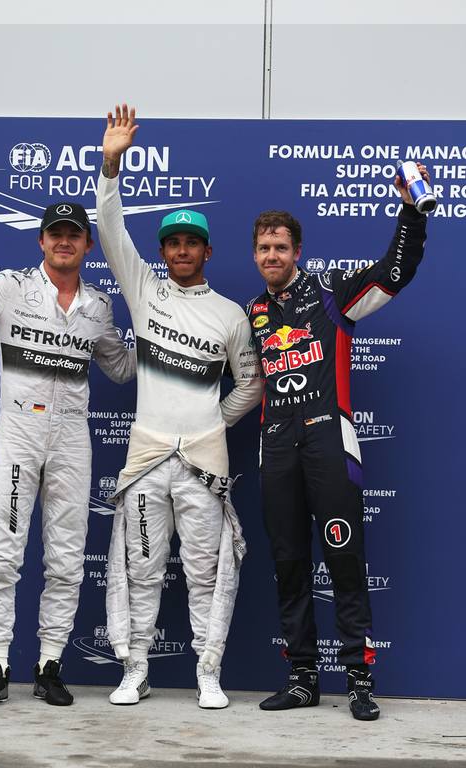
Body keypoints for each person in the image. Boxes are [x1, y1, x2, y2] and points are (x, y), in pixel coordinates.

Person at [0, 189, 136, 709]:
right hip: (18, 431)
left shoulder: (99, 307)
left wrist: (160, 336)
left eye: (74, 235)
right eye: (56, 234)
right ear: (41, 241)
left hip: (72, 437)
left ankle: (49, 666)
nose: (64, 242)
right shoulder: (10, 288)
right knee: (2, 552)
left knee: (66, 557)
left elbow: (122, 369)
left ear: (87, 245)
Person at [246, 164, 430, 720]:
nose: (272, 255)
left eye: (280, 247)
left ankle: (358, 680)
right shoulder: (255, 312)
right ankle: (302, 678)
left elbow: (395, 272)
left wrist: (411, 214)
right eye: (264, 248)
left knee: (344, 560)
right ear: (255, 255)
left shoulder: (330, 293)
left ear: (297, 251)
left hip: (330, 443)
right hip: (276, 450)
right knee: (288, 564)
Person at [96, 105, 262, 709]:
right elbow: (111, 230)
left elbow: (251, 383)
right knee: (141, 571)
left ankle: (207, 672)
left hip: (204, 465)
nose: (182, 250)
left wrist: (212, 423)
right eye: (173, 243)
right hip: (145, 460)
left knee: (205, 572)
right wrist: (110, 165)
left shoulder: (230, 315)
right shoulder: (143, 288)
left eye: (192, 242)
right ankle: (135, 669)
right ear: (163, 251)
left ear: (207, 252)